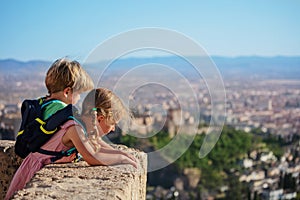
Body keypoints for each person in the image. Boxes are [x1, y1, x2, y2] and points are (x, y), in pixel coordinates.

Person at [5, 58, 94, 199]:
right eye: (78, 94)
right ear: (67, 92)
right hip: (39, 168)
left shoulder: (44, 103)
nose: (78, 99)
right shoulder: (60, 109)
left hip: (29, 165)